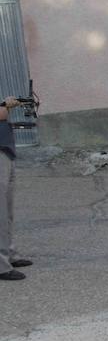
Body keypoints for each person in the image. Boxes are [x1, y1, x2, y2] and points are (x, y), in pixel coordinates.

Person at [0, 96, 31, 281]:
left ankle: (9, 254)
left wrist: (6, 104)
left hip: (5, 151)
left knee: (7, 210)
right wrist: (5, 105)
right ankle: (1, 265)